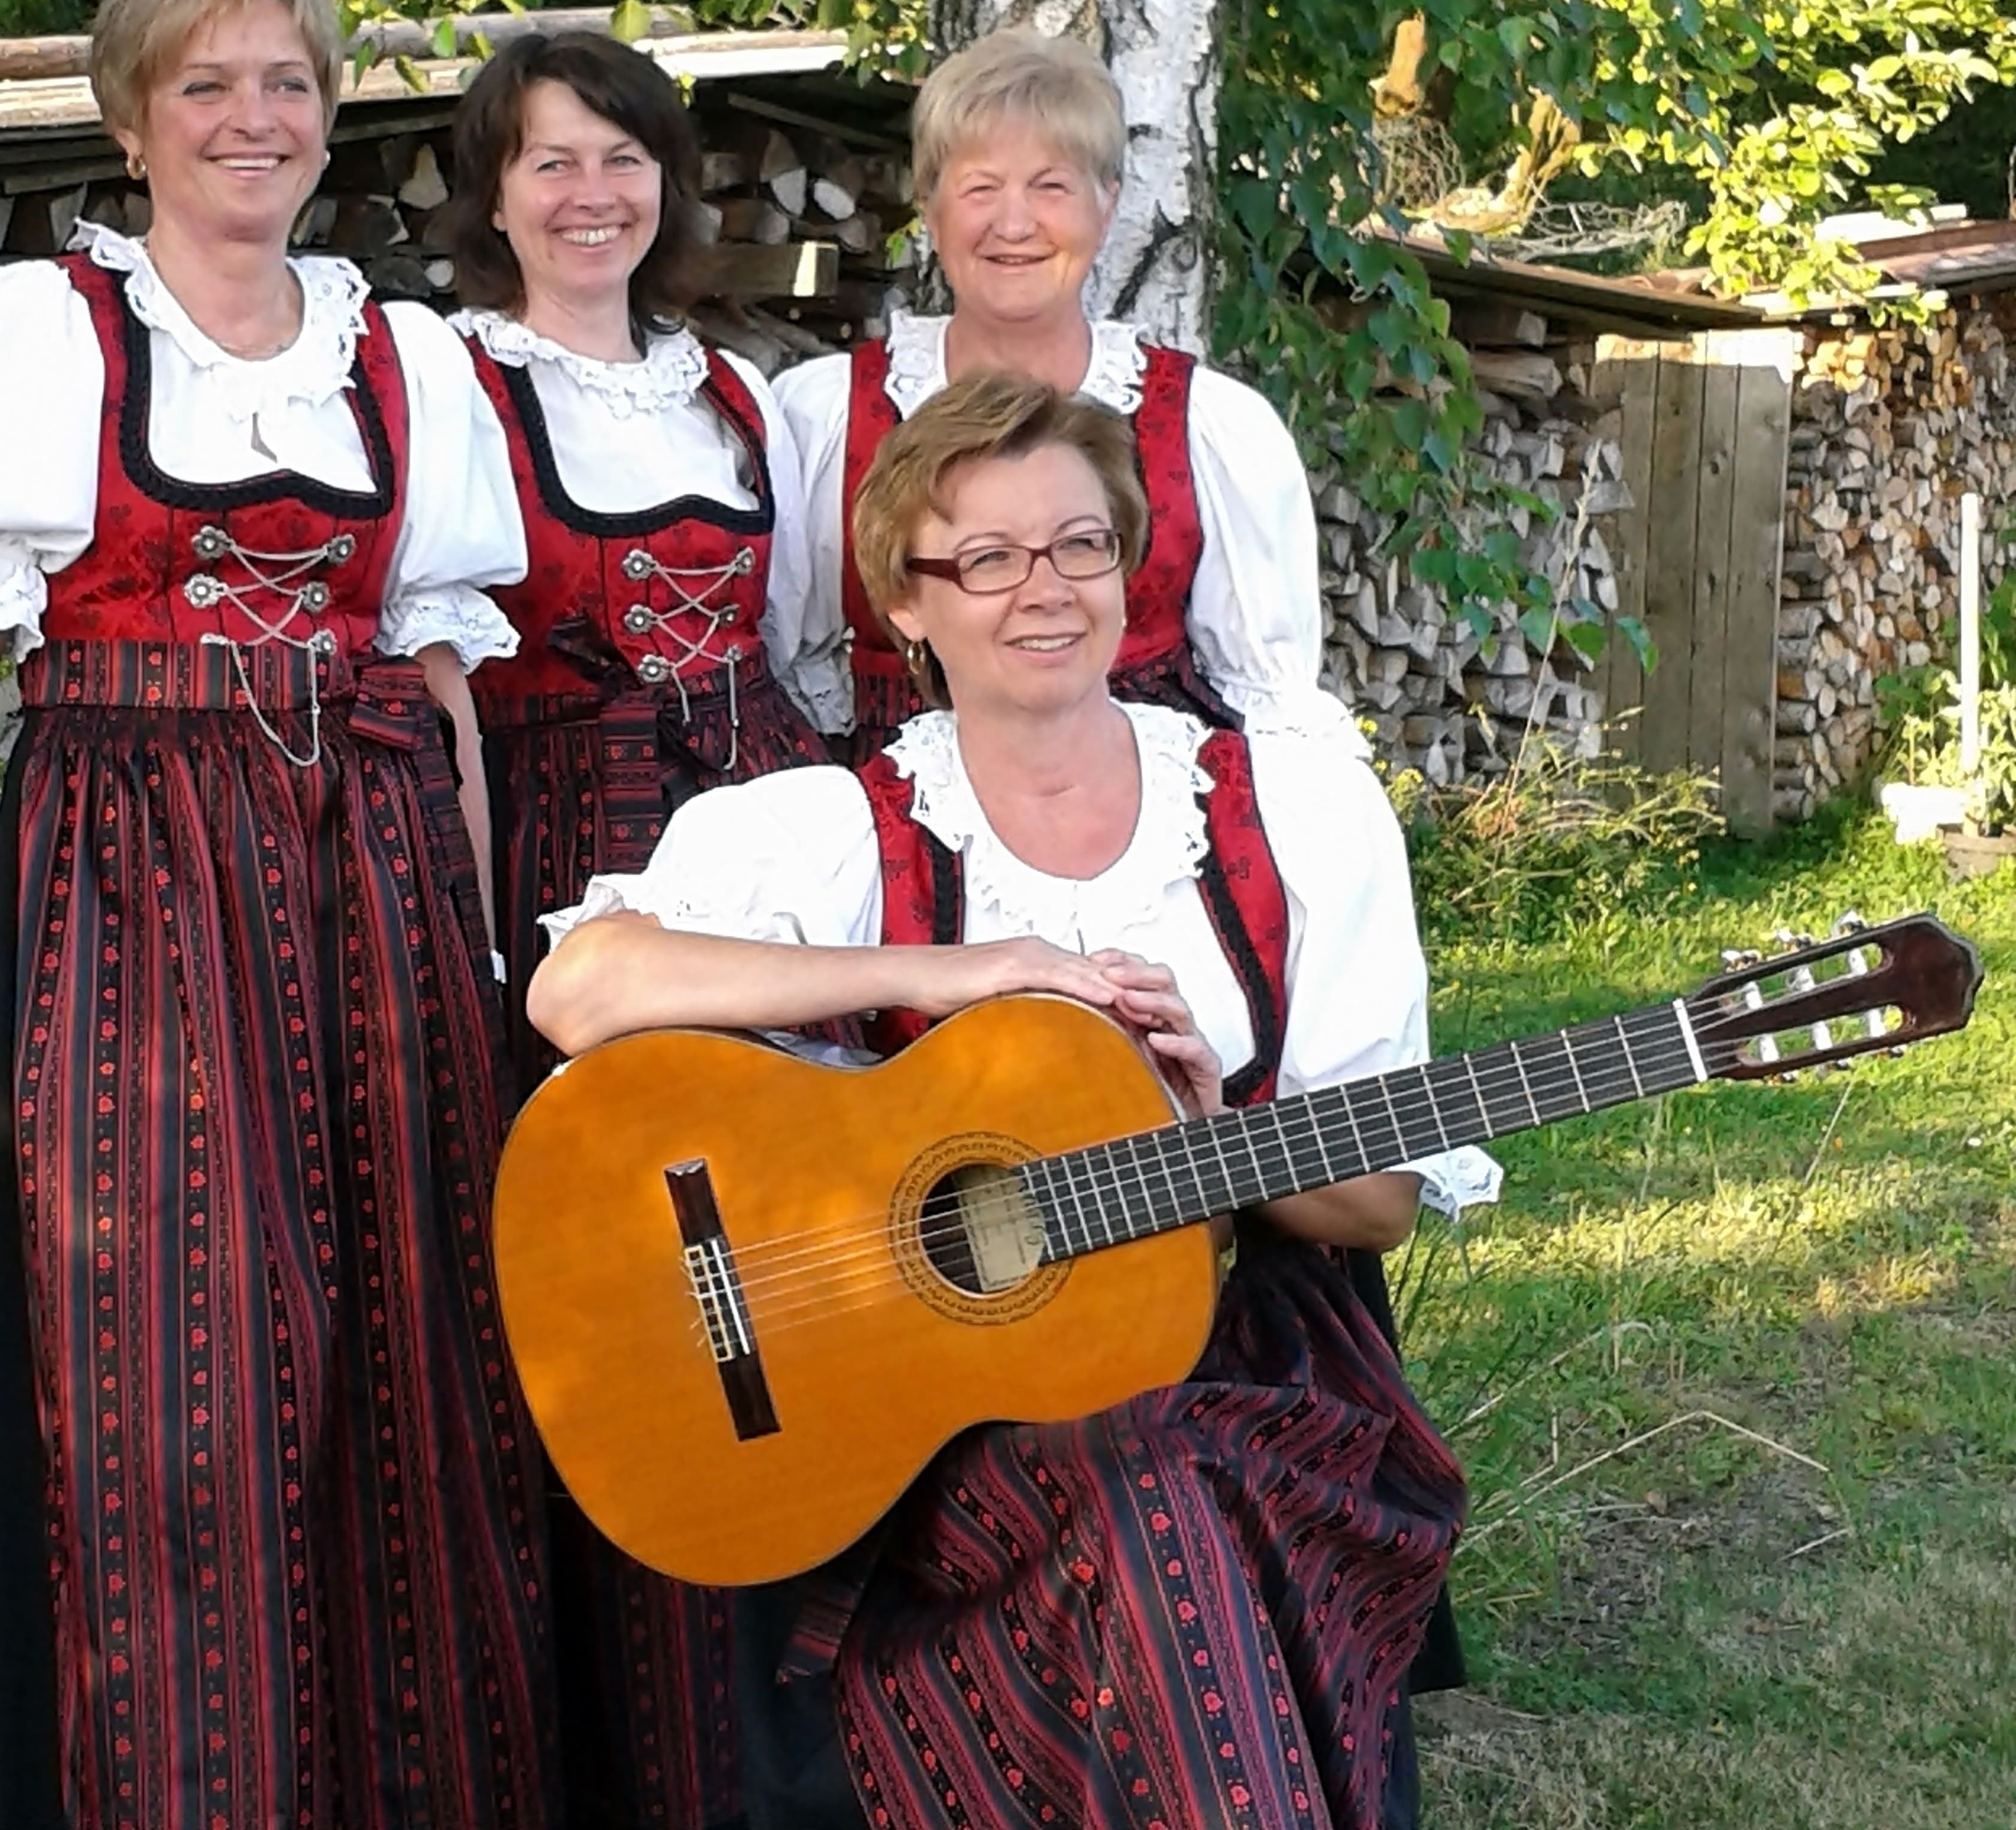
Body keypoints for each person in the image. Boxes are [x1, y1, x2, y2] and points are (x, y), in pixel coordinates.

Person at [529, 373, 1494, 1830]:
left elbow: (1380, 1203)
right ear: (905, 603)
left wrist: (1206, 1135)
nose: (1041, 590)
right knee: (1158, 1508)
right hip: (931, 1424)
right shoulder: (835, 827)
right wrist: (977, 970)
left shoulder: (1289, 816)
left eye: (1079, 546)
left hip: (1255, 1374)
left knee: (1165, 1493)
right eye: (983, 558)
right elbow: (580, 990)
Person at [0, 0, 553, 1830]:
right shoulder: (30, 332)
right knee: (177, 1383)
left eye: (290, 82)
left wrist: (473, 967)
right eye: (208, 83)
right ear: (135, 121)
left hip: (383, 886)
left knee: (418, 1370)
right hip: (133, 887)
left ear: (328, 118)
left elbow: (439, 687)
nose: (255, 117)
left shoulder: (406, 356)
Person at [441, 29, 827, 1829]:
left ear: (666, 183)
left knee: (798, 1267)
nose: (589, 191)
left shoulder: (746, 401)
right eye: (547, 160)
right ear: (491, 193)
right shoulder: (451, 386)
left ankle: (803, 1737)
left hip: (752, 866)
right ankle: (636, 1756)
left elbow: (800, 653)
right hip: (558, 861)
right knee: (624, 1288)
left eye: (620, 155)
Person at [770, 29, 1355, 762]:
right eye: (980, 187)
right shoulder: (822, 416)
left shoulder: (1209, 427)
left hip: (1136, 837)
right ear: (930, 206)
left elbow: (1268, 704)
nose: (1014, 224)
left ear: (1107, 204)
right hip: (898, 829)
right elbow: (788, 672)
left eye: (1052, 186)